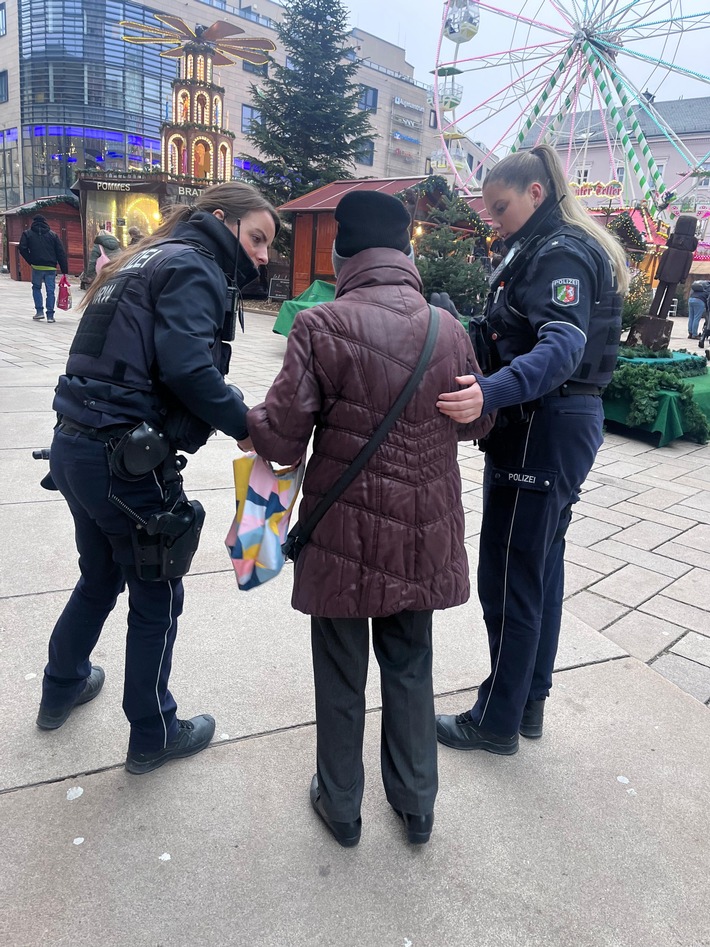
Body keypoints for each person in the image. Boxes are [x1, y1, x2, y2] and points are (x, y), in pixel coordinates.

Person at [246, 191, 493, 847]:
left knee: (340, 671)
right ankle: (417, 807)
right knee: (411, 664)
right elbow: (480, 419)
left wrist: (248, 424)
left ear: (340, 251)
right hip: (423, 532)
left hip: (342, 536)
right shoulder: (450, 328)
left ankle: (343, 805)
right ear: (407, 251)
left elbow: (282, 439)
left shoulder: (320, 326)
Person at [36, 182, 279, 775]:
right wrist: (244, 424)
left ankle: (61, 684)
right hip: (126, 459)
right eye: (257, 238)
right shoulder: (194, 267)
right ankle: (153, 729)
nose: (264, 255)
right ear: (221, 219)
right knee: (157, 594)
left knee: (98, 575)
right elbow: (188, 367)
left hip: (76, 446)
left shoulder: (141, 259)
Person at [435, 143, 629, 755]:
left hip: (542, 424)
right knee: (540, 569)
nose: (493, 220)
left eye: (500, 207)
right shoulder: (548, 246)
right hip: (555, 422)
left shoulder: (560, 251)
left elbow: (562, 345)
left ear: (536, 194)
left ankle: (496, 721)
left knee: (510, 576)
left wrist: (489, 394)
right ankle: (528, 701)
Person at [18, 214, 69, 323]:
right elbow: (61, 253)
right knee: (50, 290)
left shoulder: (27, 234)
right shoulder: (53, 235)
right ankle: (50, 315)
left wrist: (31, 260)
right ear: (45, 222)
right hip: (50, 267)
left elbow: (22, 248)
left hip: (36, 266)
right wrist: (64, 270)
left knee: (36, 288)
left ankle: (39, 312)